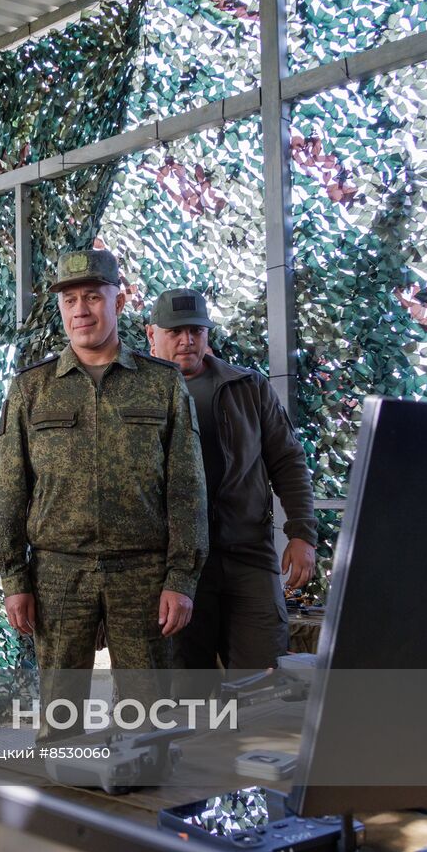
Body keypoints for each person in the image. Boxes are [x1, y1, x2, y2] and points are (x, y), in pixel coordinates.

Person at [0, 248, 207, 739]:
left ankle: (137, 808)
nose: (81, 310)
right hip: (57, 574)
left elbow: (187, 489)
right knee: (60, 722)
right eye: (69, 300)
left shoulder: (162, 385)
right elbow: (9, 490)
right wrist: (14, 577)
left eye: (93, 296)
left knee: (147, 723)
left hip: (144, 575)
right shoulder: (32, 389)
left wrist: (182, 575)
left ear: (119, 299)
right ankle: (65, 809)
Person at [146, 288, 316, 674]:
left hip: (248, 555)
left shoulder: (248, 387)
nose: (187, 340)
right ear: (151, 334)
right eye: (175, 331)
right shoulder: (138, 396)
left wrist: (302, 533)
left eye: (195, 330)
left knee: (266, 676)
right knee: (183, 686)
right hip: (175, 566)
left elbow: (288, 461)